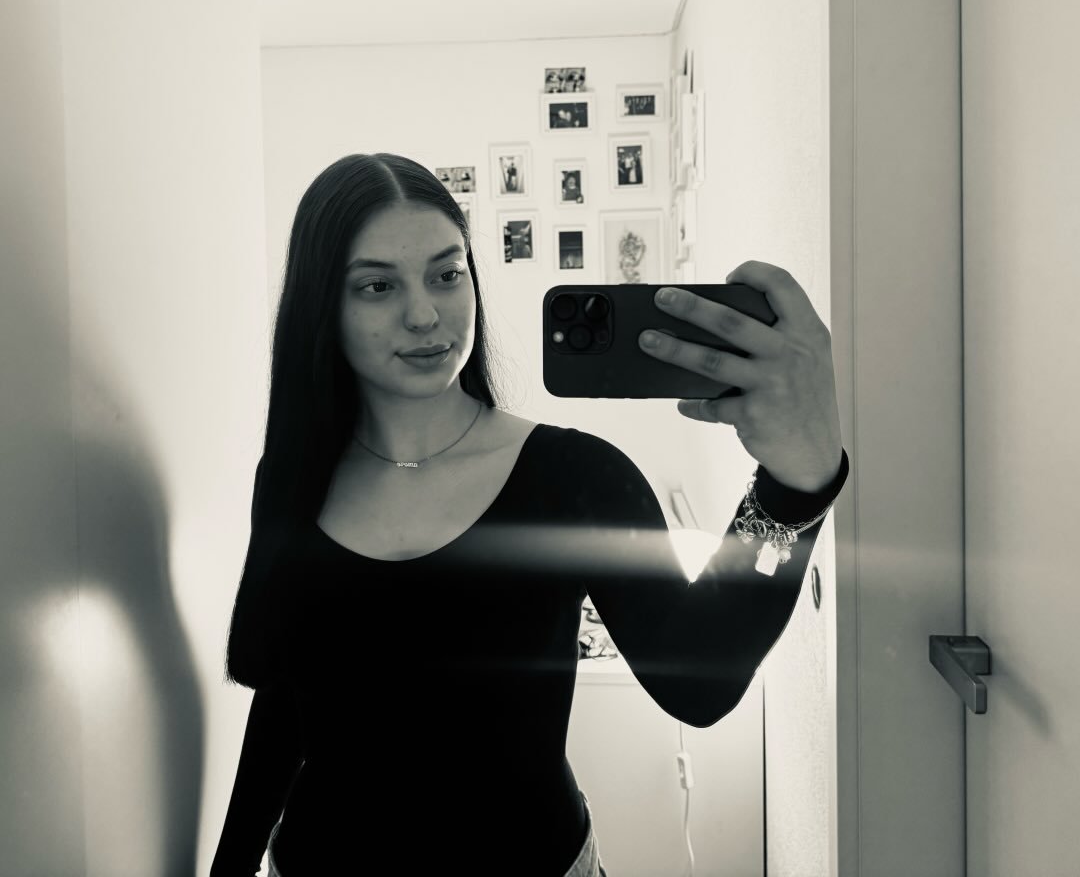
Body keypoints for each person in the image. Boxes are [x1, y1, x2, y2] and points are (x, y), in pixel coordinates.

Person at [210, 153, 849, 877]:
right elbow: (286, 700)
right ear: (321, 306)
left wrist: (795, 487)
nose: (424, 314)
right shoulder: (292, 481)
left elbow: (701, 682)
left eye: (447, 274)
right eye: (378, 285)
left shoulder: (574, 477)